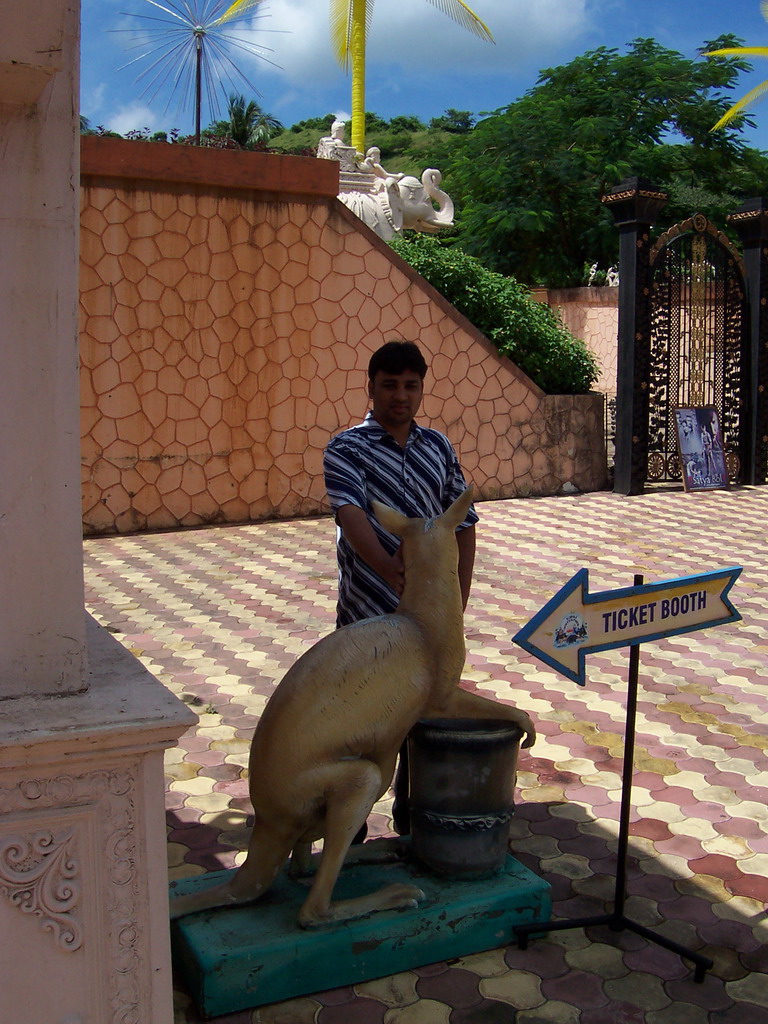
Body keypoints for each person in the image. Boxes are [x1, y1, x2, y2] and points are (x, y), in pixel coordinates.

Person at [323, 340, 478, 836]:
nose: (400, 395)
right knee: (358, 714)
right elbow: (351, 515)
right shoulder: (346, 448)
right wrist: (391, 569)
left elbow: (464, 523)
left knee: (421, 710)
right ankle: (349, 822)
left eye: (410, 385)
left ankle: (412, 816)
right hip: (368, 614)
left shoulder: (439, 448)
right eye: (389, 385)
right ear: (370, 387)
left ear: (421, 388)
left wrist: (458, 599)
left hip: (428, 622)